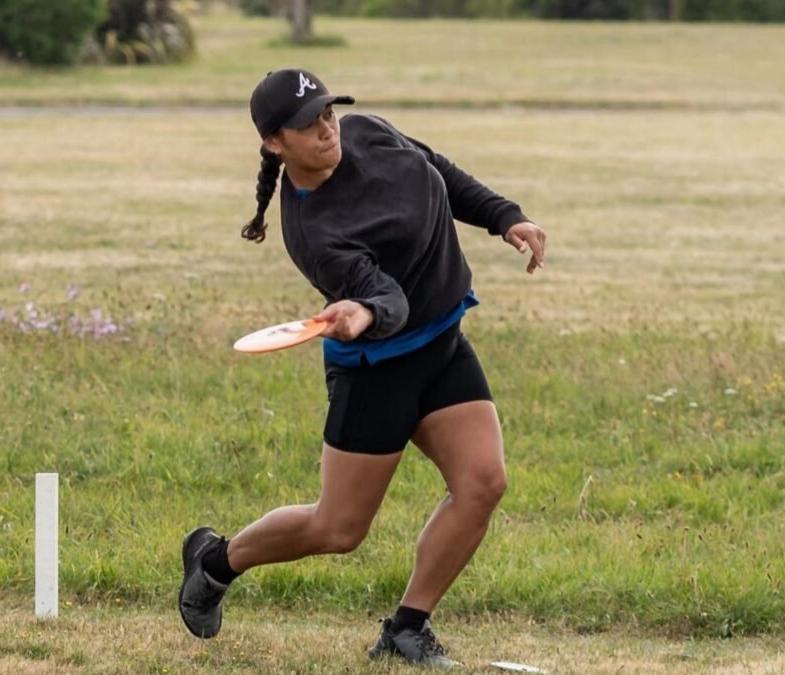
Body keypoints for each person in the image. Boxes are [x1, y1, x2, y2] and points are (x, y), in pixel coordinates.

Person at [178, 68, 547, 668]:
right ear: (275, 142)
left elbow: (437, 172)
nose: (328, 129)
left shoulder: (369, 132)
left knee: (483, 484)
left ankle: (406, 629)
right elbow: (389, 300)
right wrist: (366, 311)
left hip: (442, 342)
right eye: (309, 124)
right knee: (338, 530)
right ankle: (216, 561)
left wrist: (505, 216)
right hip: (379, 369)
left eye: (328, 112)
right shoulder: (316, 232)